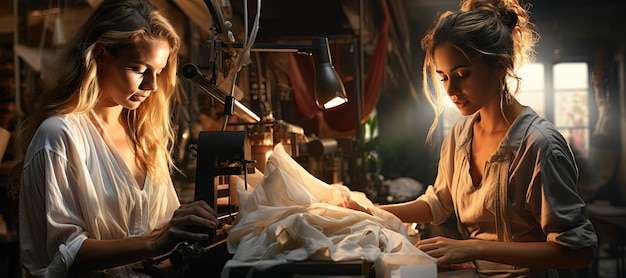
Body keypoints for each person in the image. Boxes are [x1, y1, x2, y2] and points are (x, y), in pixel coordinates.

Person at [347, 0, 598, 276]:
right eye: (443, 78)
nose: (451, 90)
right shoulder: (460, 135)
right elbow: (440, 203)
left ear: (500, 67)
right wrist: (371, 212)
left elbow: (578, 251)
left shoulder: (539, 145)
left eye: (462, 74)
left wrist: (471, 248)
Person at [9, 0, 218, 276]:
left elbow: (160, 227)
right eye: (139, 69)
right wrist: (156, 241)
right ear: (101, 55)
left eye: (159, 71)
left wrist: (185, 223)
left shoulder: (142, 134)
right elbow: (65, 255)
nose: (152, 85)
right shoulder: (60, 135)